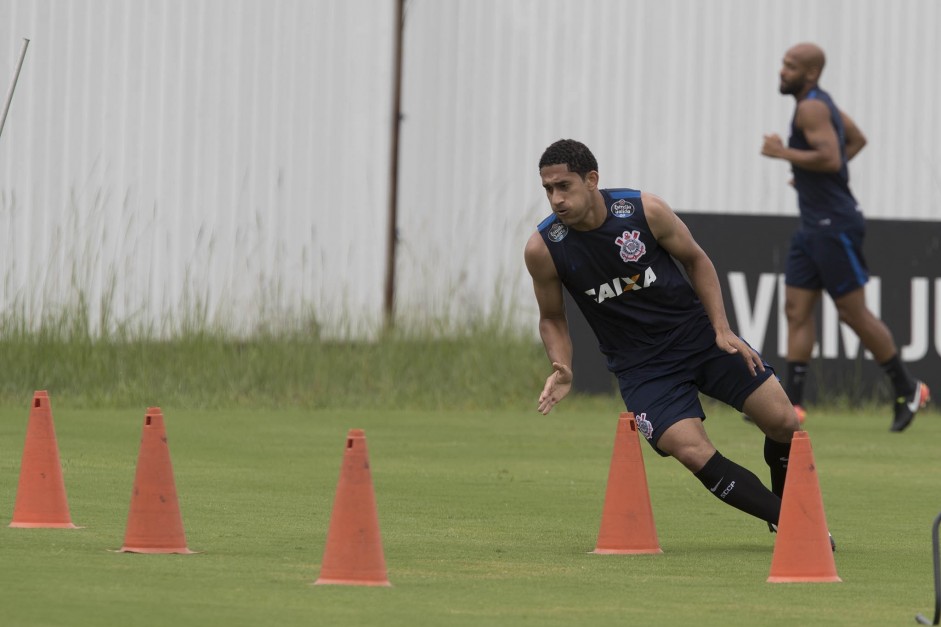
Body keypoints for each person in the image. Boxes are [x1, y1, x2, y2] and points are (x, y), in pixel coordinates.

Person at [524, 138, 802, 538]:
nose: (555, 199)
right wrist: (563, 366)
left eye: (563, 186)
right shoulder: (543, 248)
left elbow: (697, 260)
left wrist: (721, 329)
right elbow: (551, 317)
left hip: (698, 338)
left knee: (784, 422)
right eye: (548, 190)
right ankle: (794, 523)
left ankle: (790, 518)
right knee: (689, 449)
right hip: (643, 369)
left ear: (591, 180)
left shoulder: (644, 211)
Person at [761, 42, 930, 432]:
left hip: (833, 224)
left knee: (852, 313)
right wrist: (807, 174)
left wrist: (784, 153)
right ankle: (794, 406)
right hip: (812, 226)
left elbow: (832, 157)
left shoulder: (812, 107)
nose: (782, 71)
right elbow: (855, 140)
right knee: (795, 310)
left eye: (790, 66)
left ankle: (908, 388)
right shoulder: (822, 105)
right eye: (783, 64)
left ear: (811, 74)